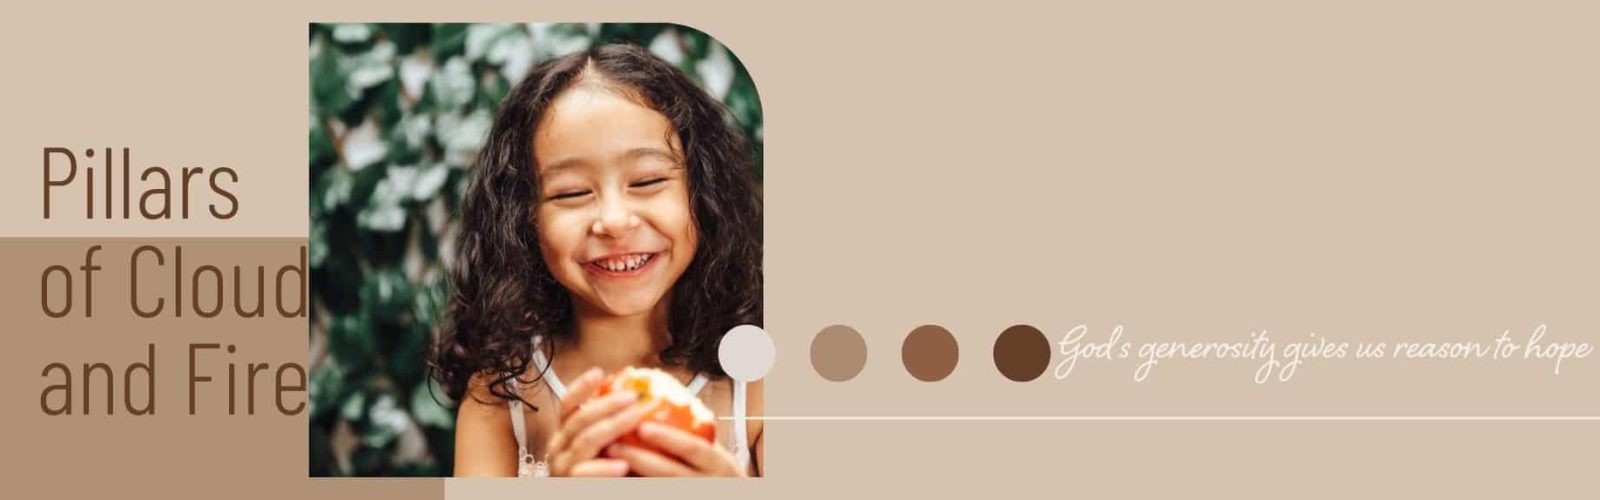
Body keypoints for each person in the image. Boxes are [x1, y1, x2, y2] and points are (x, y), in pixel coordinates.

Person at [432, 43, 763, 477]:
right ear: (523, 220)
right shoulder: (500, 395)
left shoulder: (758, 383)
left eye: (647, 181)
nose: (613, 221)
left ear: (703, 194)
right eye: (571, 193)